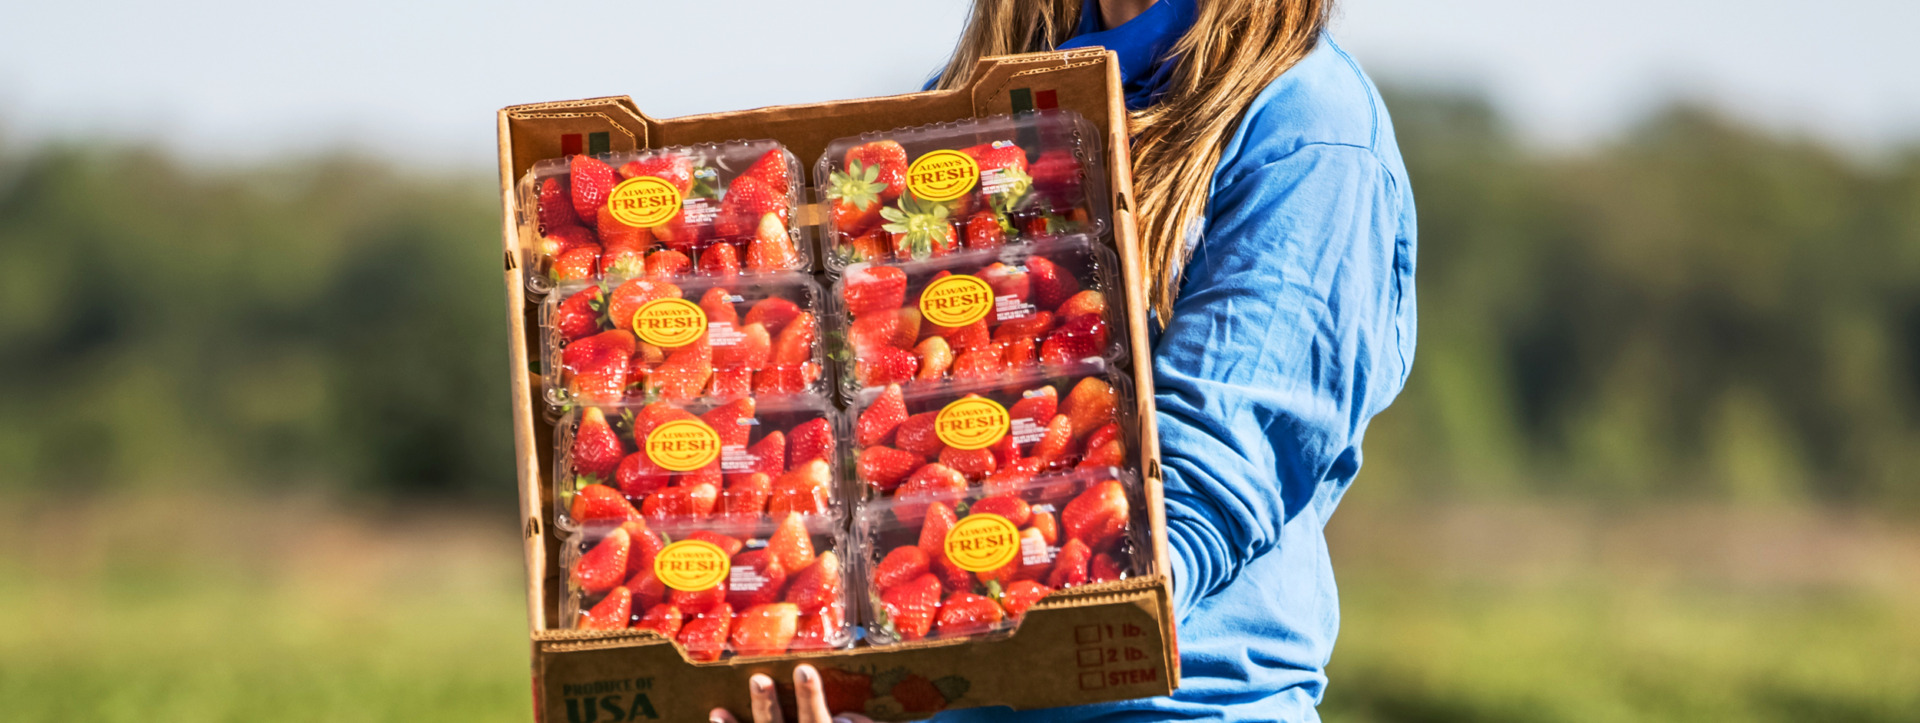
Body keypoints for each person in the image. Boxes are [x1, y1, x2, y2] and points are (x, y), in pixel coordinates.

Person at [716, 0, 1415, 719]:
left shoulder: (1306, 127)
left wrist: (1045, 616)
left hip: (1172, 704)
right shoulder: (963, 109)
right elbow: (866, 431)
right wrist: (835, 657)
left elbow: (1219, 466)